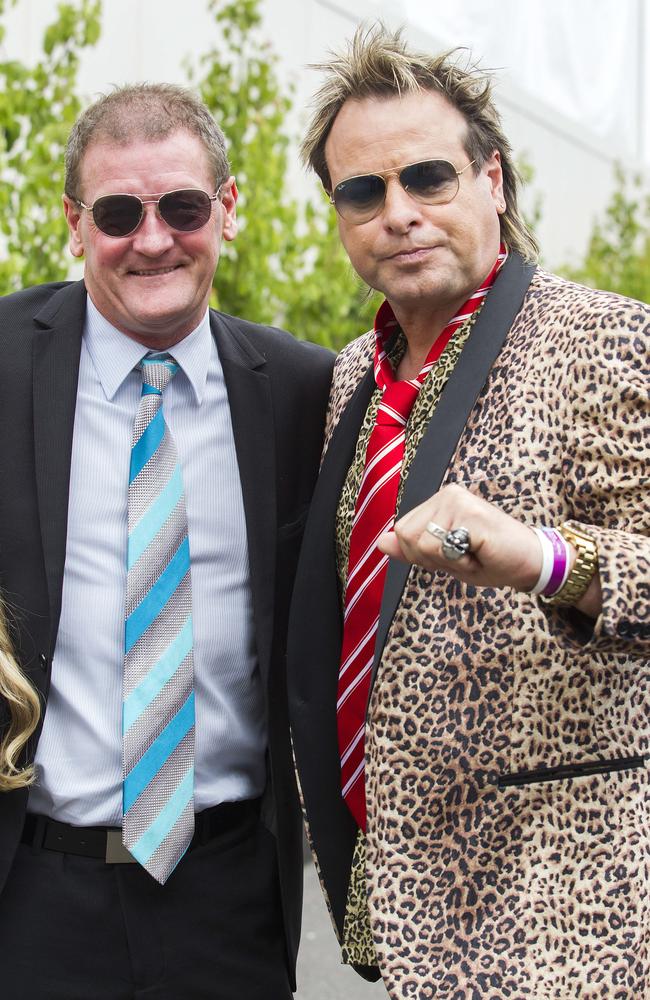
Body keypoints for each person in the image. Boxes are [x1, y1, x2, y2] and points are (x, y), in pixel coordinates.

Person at [288, 24, 650, 999]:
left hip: (568, 918)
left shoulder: (607, 340)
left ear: (492, 178)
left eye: (427, 178)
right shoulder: (353, 375)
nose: (396, 212)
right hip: (404, 909)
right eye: (362, 191)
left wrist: (542, 557)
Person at [0, 82, 333, 999]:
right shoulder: (3, 365)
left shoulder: (308, 393)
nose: (153, 240)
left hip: (229, 895)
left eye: (182, 206)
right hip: (30, 897)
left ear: (227, 208)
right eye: (118, 212)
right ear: (74, 224)